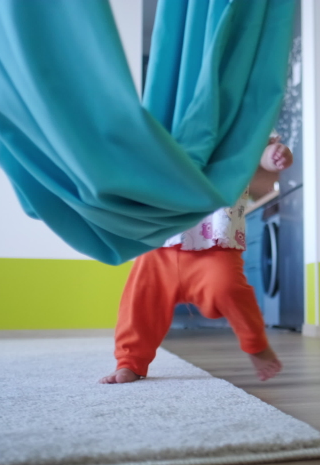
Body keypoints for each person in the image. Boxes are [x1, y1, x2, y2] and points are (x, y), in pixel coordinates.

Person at [99, 134, 293, 384]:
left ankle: (255, 345)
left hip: (215, 240)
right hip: (162, 240)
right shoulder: (165, 125)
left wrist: (274, 155)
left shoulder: (239, 125)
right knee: (140, 301)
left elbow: (260, 152)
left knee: (228, 289)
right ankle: (130, 362)